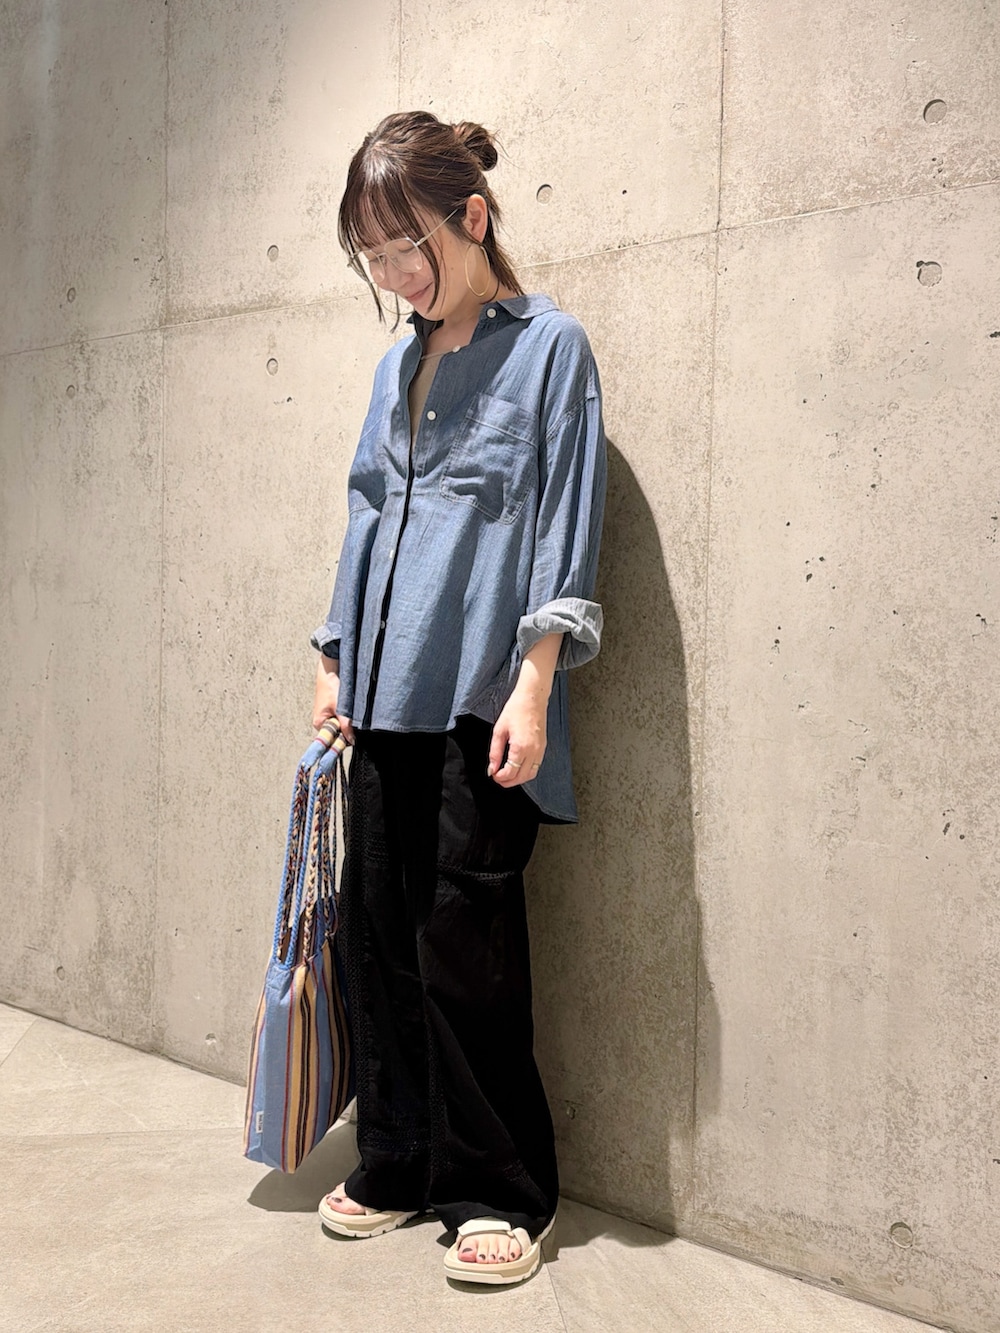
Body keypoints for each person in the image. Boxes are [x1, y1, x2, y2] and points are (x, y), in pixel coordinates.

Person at [309, 110, 607, 1286]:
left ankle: (498, 1188)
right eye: (372, 257)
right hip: (379, 696)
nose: (394, 275)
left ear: (471, 217)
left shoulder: (551, 350)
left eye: (407, 247)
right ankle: (396, 1156)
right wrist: (334, 656)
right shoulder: (398, 364)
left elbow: (565, 526)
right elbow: (366, 509)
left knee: (461, 947)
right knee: (374, 935)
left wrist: (535, 684)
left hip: (480, 699)